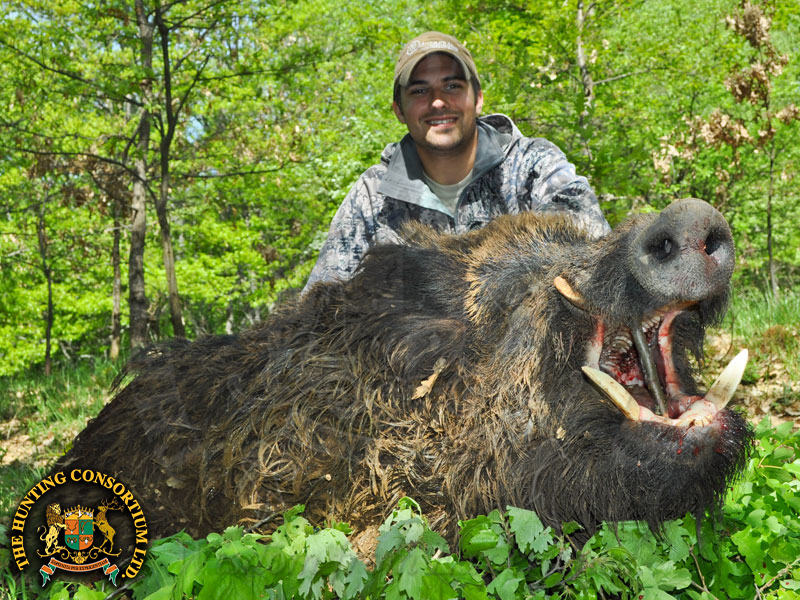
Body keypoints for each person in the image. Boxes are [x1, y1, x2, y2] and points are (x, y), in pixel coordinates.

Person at [303, 31, 609, 292]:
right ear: (399, 110)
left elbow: (593, 246)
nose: (438, 101)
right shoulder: (374, 195)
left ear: (477, 98)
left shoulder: (531, 165)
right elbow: (319, 308)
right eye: (420, 90)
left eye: (452, 86)